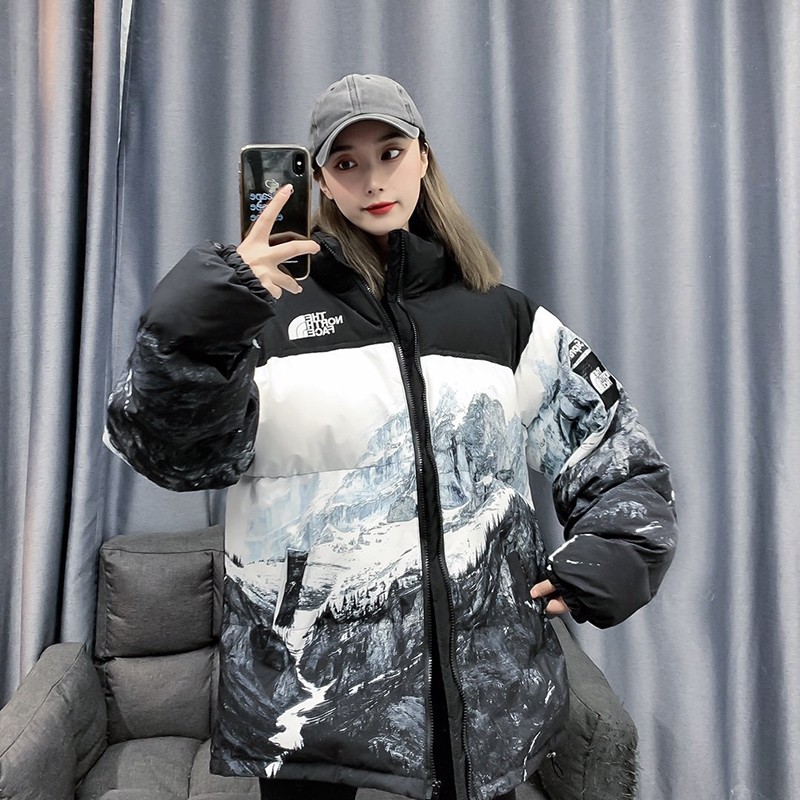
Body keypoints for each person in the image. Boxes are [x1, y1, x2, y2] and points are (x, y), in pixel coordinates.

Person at [106, 74, 677, 800]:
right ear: (319, 181)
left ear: (424, 158)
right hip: (306, 708)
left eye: (390, 152)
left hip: (482, 704)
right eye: (346, 162)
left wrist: (612, 551)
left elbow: (614, 448)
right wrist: (206, 318)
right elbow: (169, 452)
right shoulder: (261, 318)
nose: (373, 180)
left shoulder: (500, 318)